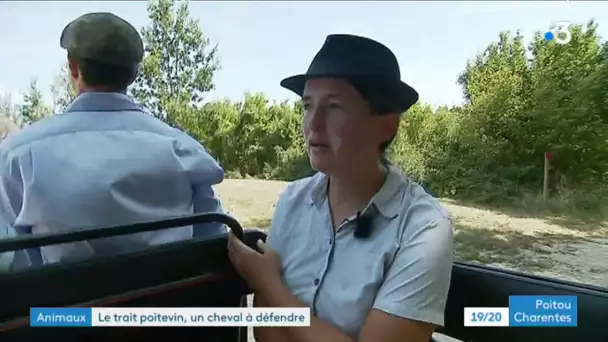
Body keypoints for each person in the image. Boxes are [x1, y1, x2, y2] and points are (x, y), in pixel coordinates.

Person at [228, 34, 454, 342]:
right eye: (307, 106)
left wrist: (270, 285)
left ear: (386, 126)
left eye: (334, 107)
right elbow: (268, 332)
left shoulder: (422, 228)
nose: (313, 124)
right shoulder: (293, 201)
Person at [0, 12, 226, 269]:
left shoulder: (16, 155)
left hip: (57, 310)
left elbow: (9, 263)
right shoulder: (185, 151)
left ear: (73, 68)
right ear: (134, 75)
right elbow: (215, 241)